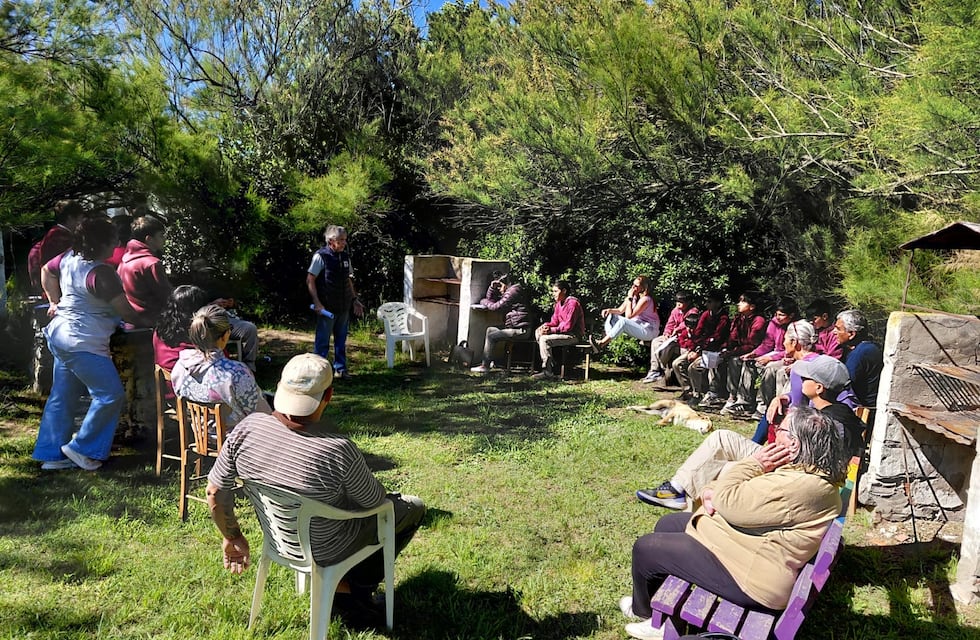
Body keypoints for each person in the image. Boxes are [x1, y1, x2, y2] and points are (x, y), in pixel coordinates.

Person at [205, 354, 425, 607]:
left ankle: (342, 587)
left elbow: (214, 492)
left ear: (279, 387)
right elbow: (374, 502)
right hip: (329, 548)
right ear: (328, 395)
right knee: (411, 508)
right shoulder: (337, 450)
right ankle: (355, 591)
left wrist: (232, 537)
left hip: (280, 539)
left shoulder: (246, 429)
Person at [621, 406, 848, 640]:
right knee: (668, 524)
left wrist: (755, 463)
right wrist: (712, 492)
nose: (774, 433)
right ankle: (662, 613)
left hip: (753, 578)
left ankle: (648, 616)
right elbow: (732, 495)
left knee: (647, 548)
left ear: (794, 444)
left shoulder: (798, 486)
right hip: (751, 553)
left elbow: (728, 502)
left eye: (780, 429)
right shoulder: (807, 475)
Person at [637, 354, 860, 510]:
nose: (801, 379)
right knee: (722, 437)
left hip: (790, 475)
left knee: (721, 468)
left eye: (807, 377)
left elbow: (811, 465)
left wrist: (781, 439)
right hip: (785, 463)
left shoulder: (828, 422)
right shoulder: (831, 411)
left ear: (819, 388)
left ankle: (692, 518)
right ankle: (676, 490)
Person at [32, 216, 140, 471]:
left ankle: (52, 455)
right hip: (82, 343)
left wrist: (54, 301)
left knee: (62, 396)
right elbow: (127, 312)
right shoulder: (102, 274)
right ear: (102, 242)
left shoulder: (70, 256)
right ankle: (83, 448)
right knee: (110, 395)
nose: (117, 243)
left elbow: (46, 270)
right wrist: (154, 317)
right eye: (114, 239)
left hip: (60, 335)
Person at [171, 304, 271, 428]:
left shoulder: (180, 367)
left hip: (199, 434)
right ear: (225, 335)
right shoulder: (237, 373)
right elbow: (262, 415)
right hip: (237, 438)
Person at [306, 225, 365, 378]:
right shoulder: (321, 256)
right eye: (341, 240)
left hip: (343, 306)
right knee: (322, 342)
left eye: (345, 239)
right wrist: (317, 303)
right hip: (327, 307)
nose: (344, 243)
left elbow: (348, 280)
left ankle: (340, 369)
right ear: (331, 241)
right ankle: (319, 374)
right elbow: (310, 279)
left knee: (341, 341)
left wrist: (355, 299)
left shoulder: (345, 256)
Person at [725, 297, 797, 418]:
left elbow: (793, 350)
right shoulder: (774, 322)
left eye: (781, 315)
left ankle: (763, 405)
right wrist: (754, 353)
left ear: (791, 315)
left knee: (770, 368)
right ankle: (744, 401)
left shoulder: (796, 327)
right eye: (777, 314)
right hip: (774, 353)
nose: (778, 317)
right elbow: (767, 344)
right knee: (749, 362)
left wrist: (771, 358)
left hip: (787, 357)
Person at [190, 258, 261, 372]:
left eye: (208, 273)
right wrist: (211, 305)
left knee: (250, 328)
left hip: (226, 319)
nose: (207, 276)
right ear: (194, 274)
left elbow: (233, 302)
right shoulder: (190, 290)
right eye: (203, 273)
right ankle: (208, 365)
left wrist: (230, 303)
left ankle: (249, 368)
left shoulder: (217, 285)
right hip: (205, 323)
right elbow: (191, 313)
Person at [698, 292, 766, 409]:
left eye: (743, 302)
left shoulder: (758, 321)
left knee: (734, 361)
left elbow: (752, 344)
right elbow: (732, 338)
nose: (738, 304)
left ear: (752, 306)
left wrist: (731, 352)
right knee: (716, 357)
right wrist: (724, 349)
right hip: (738, 351)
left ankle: (736, 398)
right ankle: (714, 393)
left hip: (753, 353)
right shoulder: (739, 319)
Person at [117, 215, 174, 327]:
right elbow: (167, 296)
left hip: (130, 323)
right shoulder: (152, 264)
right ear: (149, 239)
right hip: (152, 324)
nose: (164, 239)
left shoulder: (124, 261)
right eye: (161, 235)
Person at [470, 271, 531, 373]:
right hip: (515, 326)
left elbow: (495, 307)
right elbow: (491, 300)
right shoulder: (511, 290)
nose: (499, 289)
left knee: (491, 336)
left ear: (506, 284)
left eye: (500, 286)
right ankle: (488, 361)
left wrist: (483, 301)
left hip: (521, 330)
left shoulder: (512, 292)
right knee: (490, 330)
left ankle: (485, 366)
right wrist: (491, 288)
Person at [673, 291, 729, 403]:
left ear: (718, 303)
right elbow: (698, 333)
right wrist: (694, 349)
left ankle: (698, 394)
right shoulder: (705, 314)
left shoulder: (724, 319)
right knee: (677, 363)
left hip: (715, 351)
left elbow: (717, 338)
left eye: (710, 301)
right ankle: (688, 390)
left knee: (693, 368)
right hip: (701, 348)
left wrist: (699, 351)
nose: (706, 304)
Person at [589, 275, 660, 354]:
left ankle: (601, 344)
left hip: (649, 331)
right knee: (612, 315)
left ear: (643, 288)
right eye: (633, 284)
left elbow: (629, 316)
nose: (633, 287)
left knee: (623, 322)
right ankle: (607, 337)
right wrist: (609, 310)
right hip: (638, 325)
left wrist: (630, 298)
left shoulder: (646, 299)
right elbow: (620, 310)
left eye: (636, 286)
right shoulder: (633, 297)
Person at [28, 200, 86, 294]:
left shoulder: (56, 233)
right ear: (70, 218)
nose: (81, 223)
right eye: (80, 219)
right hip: (58, 289)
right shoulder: (60, 237)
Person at [532, 279, 586, 379]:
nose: (553, 294)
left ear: (564, 291)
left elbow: (568, 326)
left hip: (573, 335)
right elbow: (554, 322)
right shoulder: (558, 304)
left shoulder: (573, 304)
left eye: (555, 291)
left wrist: (551, 331)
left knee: (544, 340)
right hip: (563, 333)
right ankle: (551, 364)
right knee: (538, 332)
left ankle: (547, 371)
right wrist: (545, 326)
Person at [153, 285, 213, 373]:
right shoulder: (196, 333)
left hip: (166, 377)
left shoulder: (159, 330)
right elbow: (217, 356)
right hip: (190, 378)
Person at [642, 291, 697, 384]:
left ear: (688, 302)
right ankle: (654, 370)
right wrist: (667, 333)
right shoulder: (675, 311)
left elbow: (687, 324)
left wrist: (677, 329)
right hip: (672, 337)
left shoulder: (693, 311)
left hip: (684, 339)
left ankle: (662, 369)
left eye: (681, 302)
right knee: (656, 342)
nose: (678, 304)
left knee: (668, 348)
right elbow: (670, 324)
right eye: (677, 301)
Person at [834, 309, 883, 408]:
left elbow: (845, 383)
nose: (834, 332)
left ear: (852, 334)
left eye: (838, 329)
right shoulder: (870, 347)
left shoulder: (861, 353)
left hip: (866, 409)